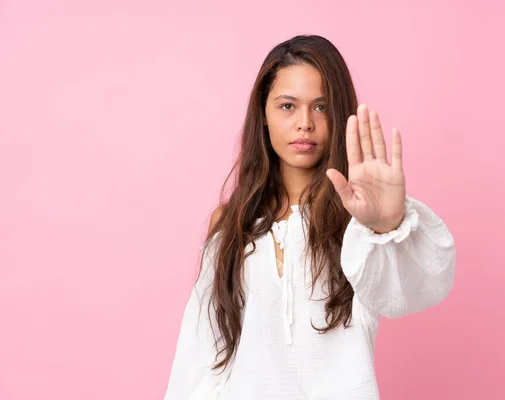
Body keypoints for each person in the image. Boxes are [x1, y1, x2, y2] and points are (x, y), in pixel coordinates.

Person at [164, 34, 456, 400]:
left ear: (340, 114)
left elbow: (412, 292)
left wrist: (388, 226)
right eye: (288, 106)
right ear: (264, 114)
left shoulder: (361, 219)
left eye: (321, 107)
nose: (305, 123)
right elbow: (201, 353)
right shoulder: (230, 224)